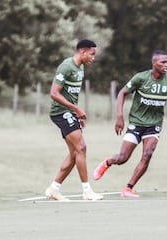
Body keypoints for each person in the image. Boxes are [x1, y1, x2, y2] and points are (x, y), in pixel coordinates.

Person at [93, 50, 167, 197]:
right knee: (122, 158)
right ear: (154, 63)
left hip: (154, 125)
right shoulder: (141, 78)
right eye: (162, 62)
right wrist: (119, 116)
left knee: (148, 154)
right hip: (136, 123)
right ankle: (107, 162)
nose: (166, 65)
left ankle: (128, 188)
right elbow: (122, 93)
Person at [45, 39, 103, 201]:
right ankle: (87, 191)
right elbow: (54, 93)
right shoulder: (66, 66)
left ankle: (54, 189)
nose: (93, 58)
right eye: (91, 54)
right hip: (60, 112)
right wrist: (76, 109)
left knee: (74, 153)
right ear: (82, 52)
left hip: (69, 113)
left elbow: (72, 94)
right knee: (81, 148)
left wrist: (76, 114)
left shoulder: (81, 68)